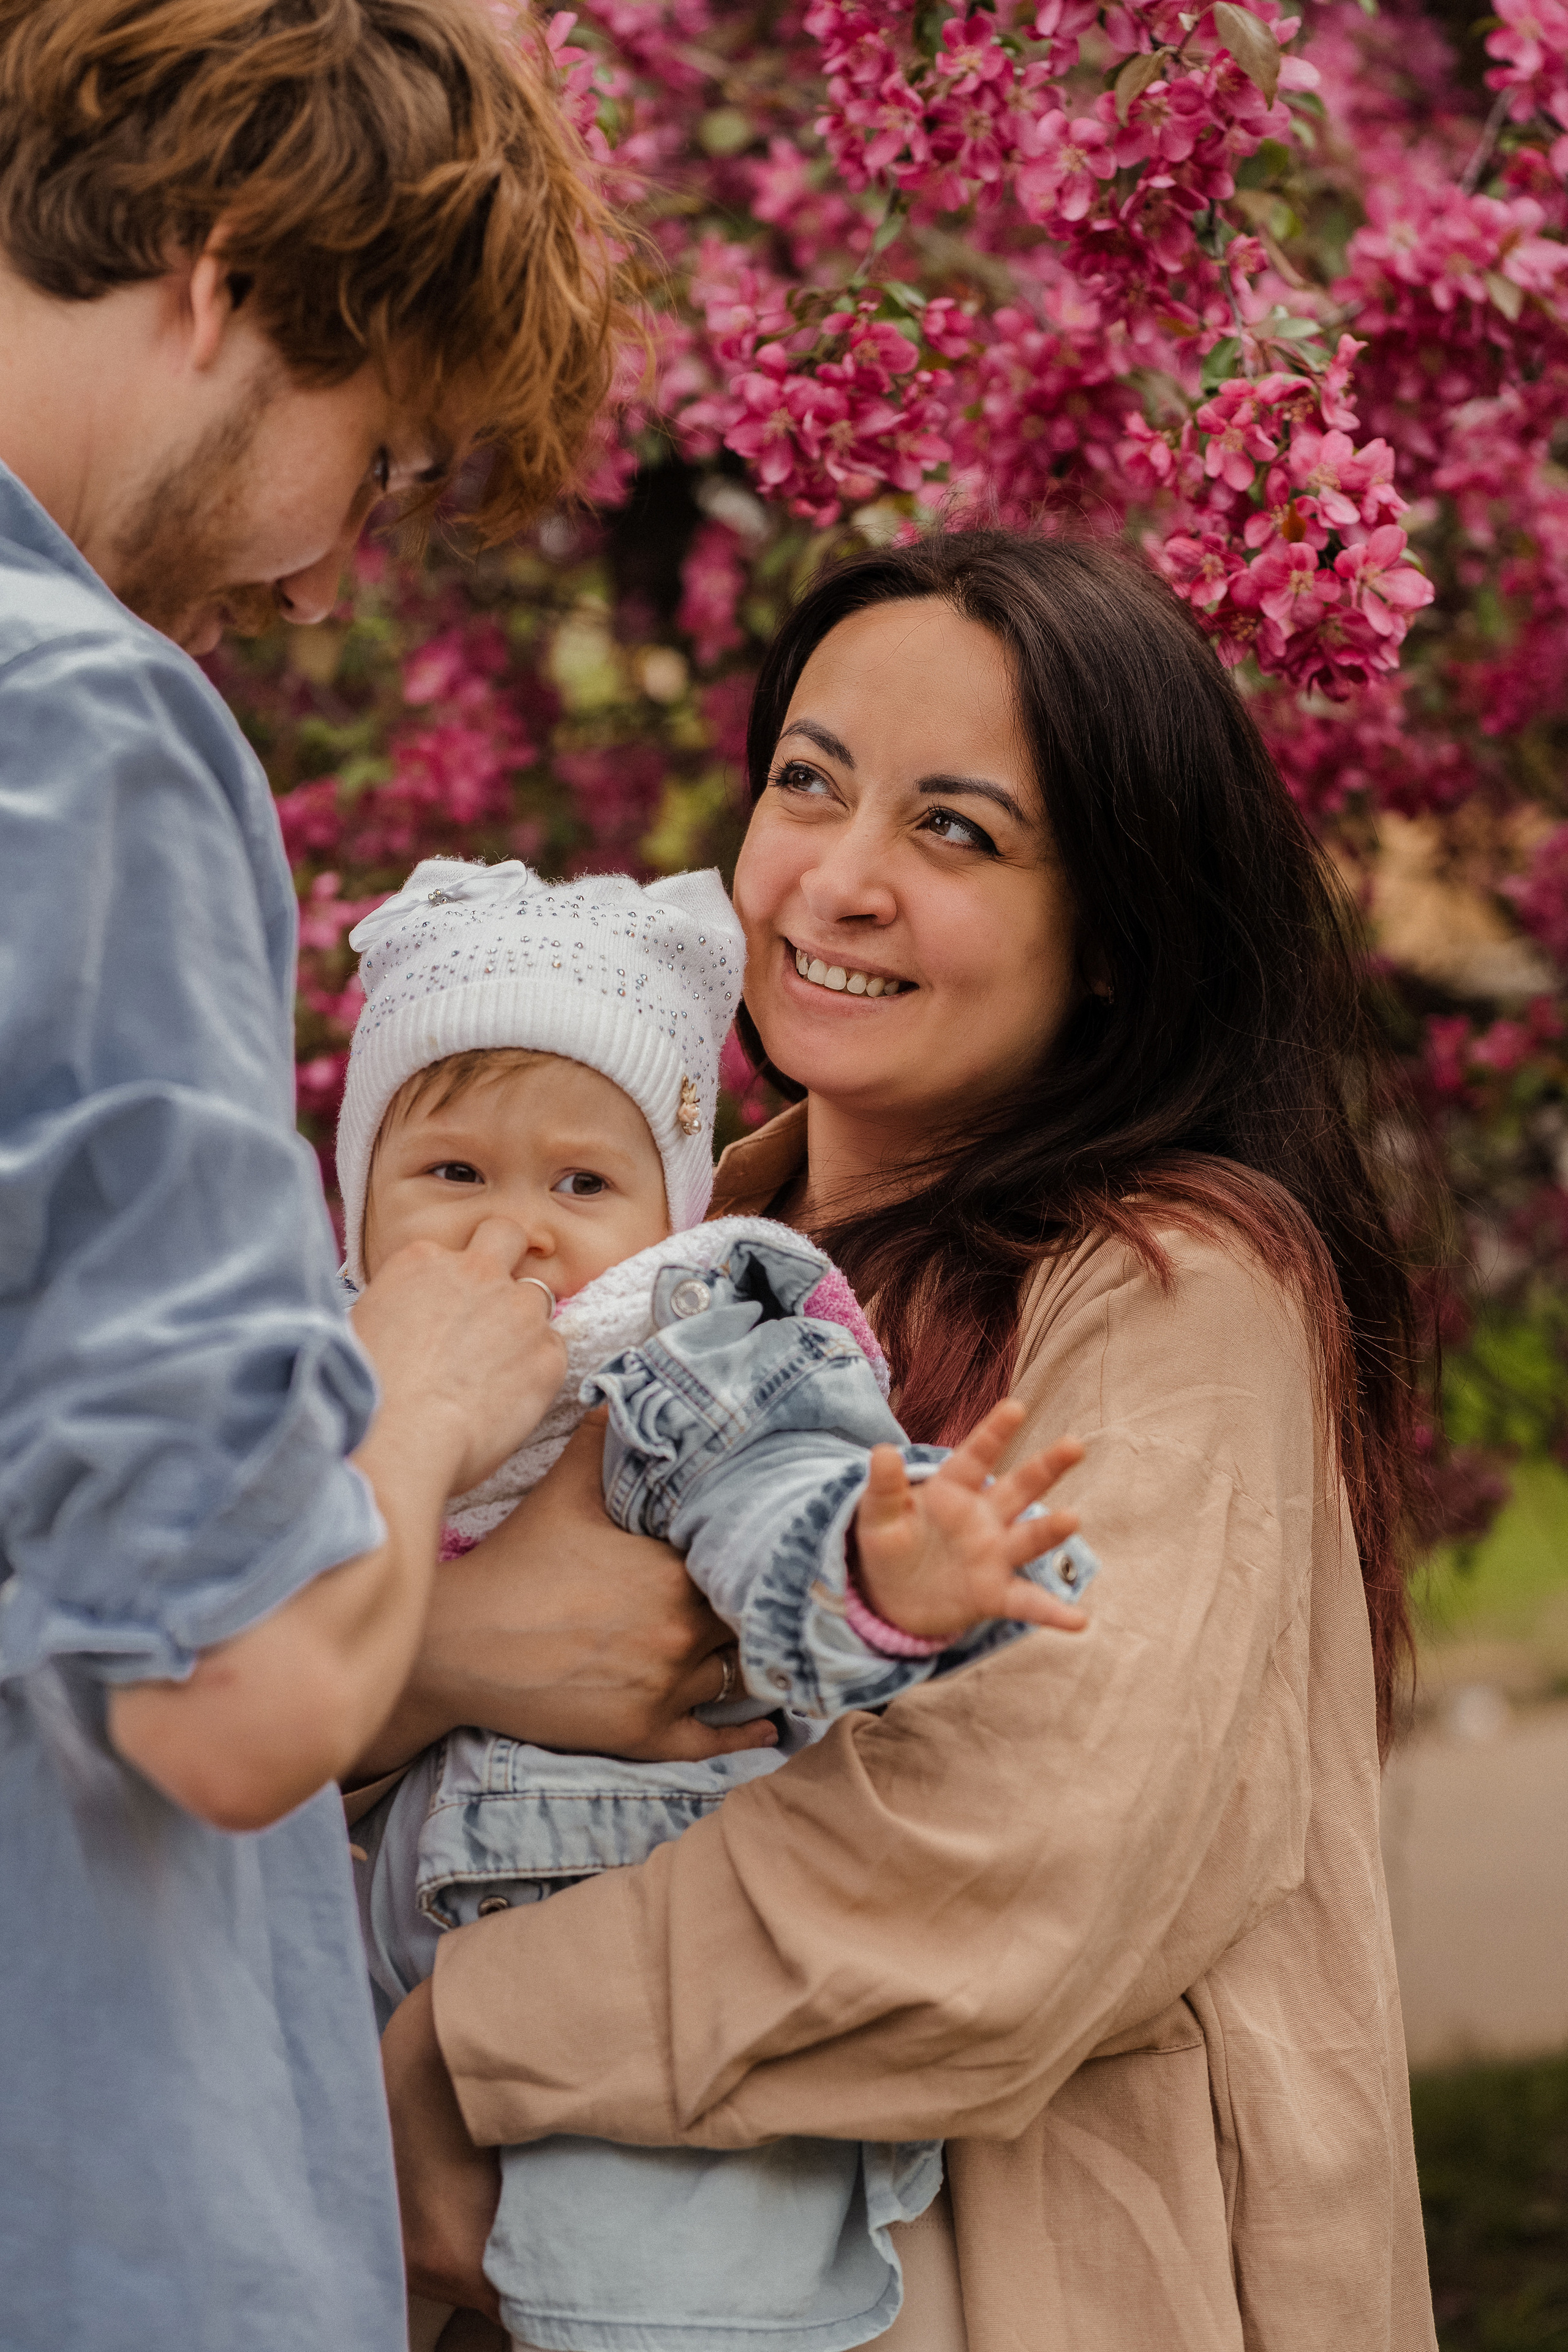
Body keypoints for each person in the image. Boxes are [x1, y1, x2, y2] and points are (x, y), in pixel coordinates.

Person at [373, 533, 1440, 2351]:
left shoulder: (1171, 1291)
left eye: (955, 830)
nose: (838, 879)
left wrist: (456, 2058)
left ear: (1112, 933)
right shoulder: (646, 1270)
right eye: (809, 781)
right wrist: (445, 1653)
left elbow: (1016, 1859)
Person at [0, 6, 737, 2348]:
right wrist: (406, 1394)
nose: (328, 587)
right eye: (378, 462)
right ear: (224, 277)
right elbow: (223, 1688)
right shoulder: (81, 732)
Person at [335, 854, 1095, 2352]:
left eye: (581, 1181)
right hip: (346, 1973)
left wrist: (879, 1573)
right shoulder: (304, 1378)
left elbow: (777, 1497)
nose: (520, 1229)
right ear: (350, 1201)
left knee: (659, 2307)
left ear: (668, 1208)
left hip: (603, 1962)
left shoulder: (684, 1344)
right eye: (449, 1174)